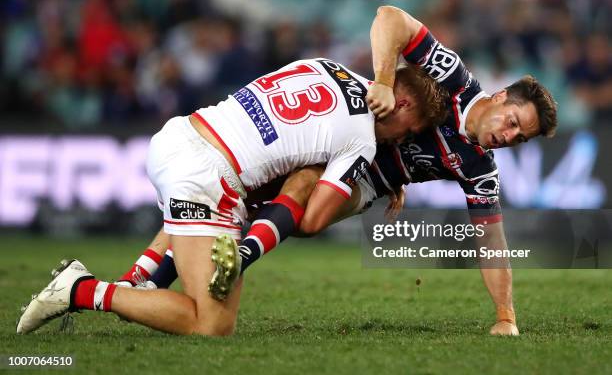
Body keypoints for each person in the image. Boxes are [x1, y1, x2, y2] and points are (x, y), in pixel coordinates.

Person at [146, 5, 559, 337]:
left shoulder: (480, 169)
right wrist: (381, 80)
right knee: (246, 185)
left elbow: (492, 241)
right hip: (347, 128)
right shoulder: (453, 76)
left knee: (306, 216)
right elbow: (389, 17)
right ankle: (165, 274)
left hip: (370, 178)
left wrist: (506, 315)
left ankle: (206, 260)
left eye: (521, 138)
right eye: (513, 121)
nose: (509, 136)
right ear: (501, 96)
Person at [16, 57, 446, 336]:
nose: (398, 141)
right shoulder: (362, 140)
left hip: (181, 134)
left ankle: (140, 282)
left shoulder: (326, 64)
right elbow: (313, 220)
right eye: (406, 132)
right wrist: (337, 182)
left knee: (231, 205)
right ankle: (83, 290)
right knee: (211, 324)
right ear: (401, 105)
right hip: (209, 177)